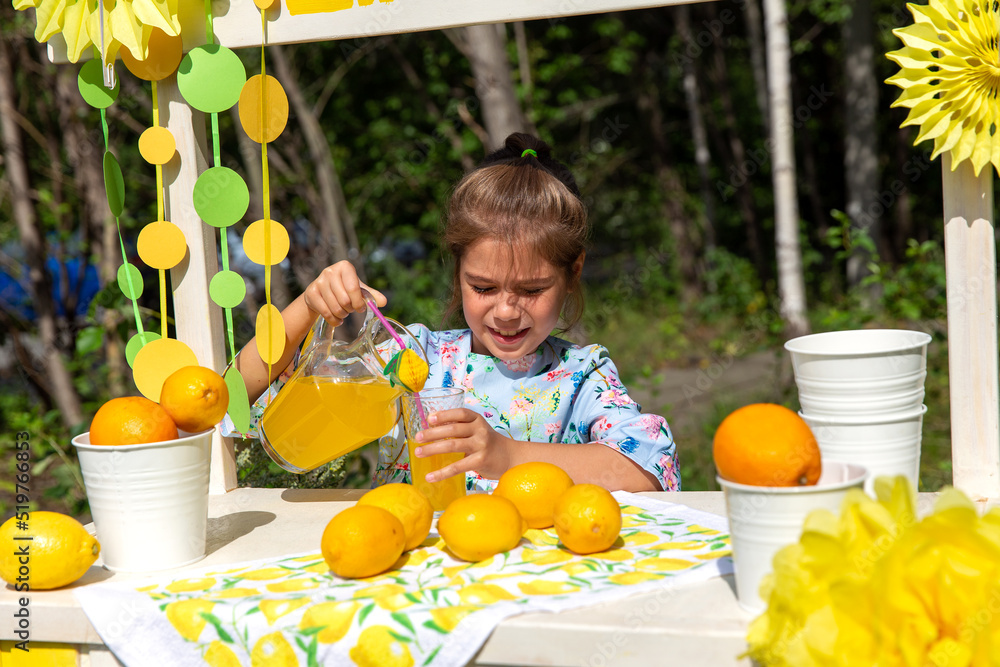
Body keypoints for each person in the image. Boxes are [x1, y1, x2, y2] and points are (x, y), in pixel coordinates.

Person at [228, 132, 679, 493]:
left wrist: (507, 455)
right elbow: (237, 394)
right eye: (482, 287)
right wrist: (307, 308)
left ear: (573, 272)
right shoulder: (414, 361)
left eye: (531, 289)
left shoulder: (581, 377)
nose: (505, 310)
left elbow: (650, 467)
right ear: (458, 268)